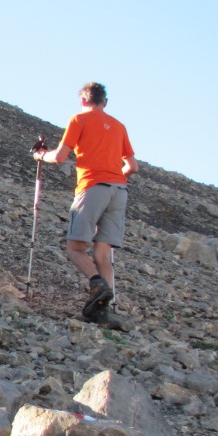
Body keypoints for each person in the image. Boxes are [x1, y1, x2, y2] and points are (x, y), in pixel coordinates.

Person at [32, 82, 137, 323]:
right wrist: (116, 176)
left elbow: (59, 156)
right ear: (105, 102)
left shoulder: (79, 120)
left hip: (93, 187)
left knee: (76, 248)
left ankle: (96, 285)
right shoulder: (119, 126)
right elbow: (132, 166)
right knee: (103, 253)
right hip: (119, 190)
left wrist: (40, 155)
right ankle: (104, 312)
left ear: (83, 100)